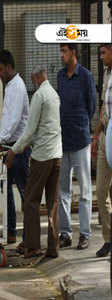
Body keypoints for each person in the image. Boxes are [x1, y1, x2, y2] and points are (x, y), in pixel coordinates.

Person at [5, 65, 62, 258]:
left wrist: (13, 151)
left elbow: (29, 131)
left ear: (36, 77)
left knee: (31, 200)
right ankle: (53, 247)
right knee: (53, 202)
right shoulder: (54, 94)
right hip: (57, 156)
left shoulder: (39, 96)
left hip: (42, 156)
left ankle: (33, 245)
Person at [57, 44, 96, 250]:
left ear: (73, 52)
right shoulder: (61, 77)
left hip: (81, 141)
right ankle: (65, 233)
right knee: (63, 190)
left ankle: (85, 234)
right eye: (60, 51)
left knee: (84, 191)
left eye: (64, 51)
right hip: (63, 142)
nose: (61, 55)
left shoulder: (86, 76)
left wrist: (82, 124)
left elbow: (91, 106)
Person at [0, 50, 30, 245]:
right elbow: (8, 118)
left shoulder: (16, 87)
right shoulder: (10, 86)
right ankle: (11, 231)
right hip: (10, 145)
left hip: (18, 148)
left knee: (24, 191)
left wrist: (1, 138)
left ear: (8, 67)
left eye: (0, 69)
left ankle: (27, 235)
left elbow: (14, 119)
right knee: (5, 187)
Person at [94, 44, 112, 257]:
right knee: (100, 190)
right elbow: (102, 108)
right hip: (106, 134)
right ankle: (108, 239)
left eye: (104, 52)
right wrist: (96, 135)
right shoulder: (106, 73)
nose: (101, 57)